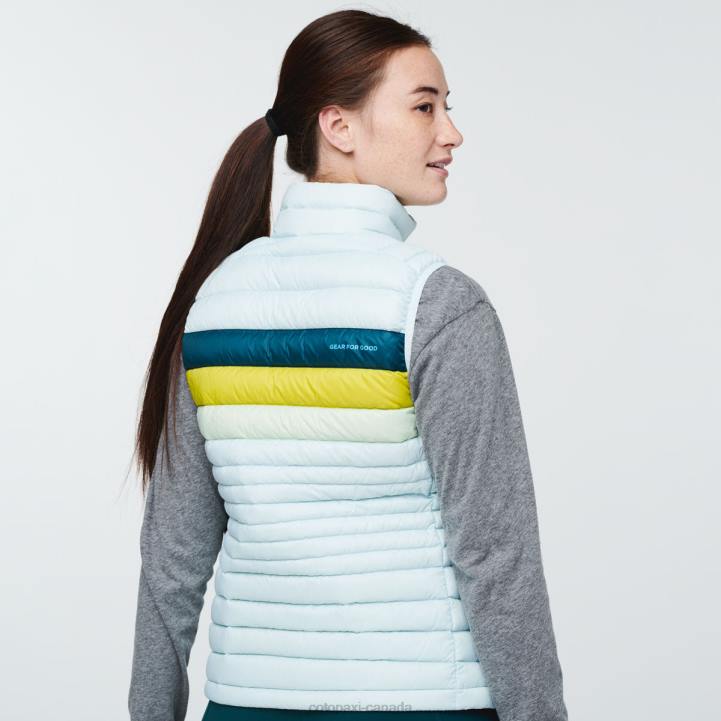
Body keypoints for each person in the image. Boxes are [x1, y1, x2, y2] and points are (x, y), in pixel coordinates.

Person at [128, 9, 568, 721]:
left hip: (245, 705)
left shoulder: (213, 301)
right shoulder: (437, 304)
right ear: (338, 126)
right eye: (424, 106)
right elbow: (496, 557)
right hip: (427, 704)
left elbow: (170, 559)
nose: (451, 133)